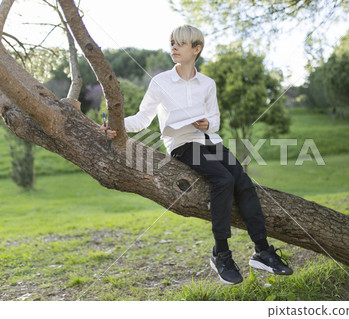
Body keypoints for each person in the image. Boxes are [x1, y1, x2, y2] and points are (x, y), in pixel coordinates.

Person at [103, 25, 293, 285]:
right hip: (182, 145)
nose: (173, 47)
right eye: (172, 42)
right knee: (223, 180)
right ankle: (221, 254)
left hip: (210, 141)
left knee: (244, 183)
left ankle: (262, 250)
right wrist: (117, 124)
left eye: (180, 43)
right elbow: (143, 118)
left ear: (196, 49)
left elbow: (215, 119)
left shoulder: (207, 84)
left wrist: (207, 124)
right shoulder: (160, 81)